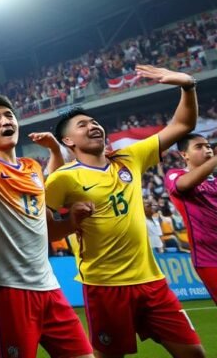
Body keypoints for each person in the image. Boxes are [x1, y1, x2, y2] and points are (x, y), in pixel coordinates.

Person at [46, 64, 202, 358]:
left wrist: (187, 85)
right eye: (82, 125)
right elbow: (43, 229)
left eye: (94, 121)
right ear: (68, 141)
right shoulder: (63, 178)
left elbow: (182, 126)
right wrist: (70, 221)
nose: (93, 126)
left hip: (152, 281)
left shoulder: (130, 157)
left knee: (195, 354)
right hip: (104, 286)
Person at [0, 89, 92, 358]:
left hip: (50, 287)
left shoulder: (32, 168)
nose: (6, 121)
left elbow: (48, 225)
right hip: (11, 290)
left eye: (9, 115)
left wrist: (72, 221)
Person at [166, 134, 217, 303]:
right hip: (209, 258)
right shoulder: (175, 175)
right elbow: (184, 185)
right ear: (184, 155)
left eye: (208, 145)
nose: (207, 149)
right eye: (199, 146)